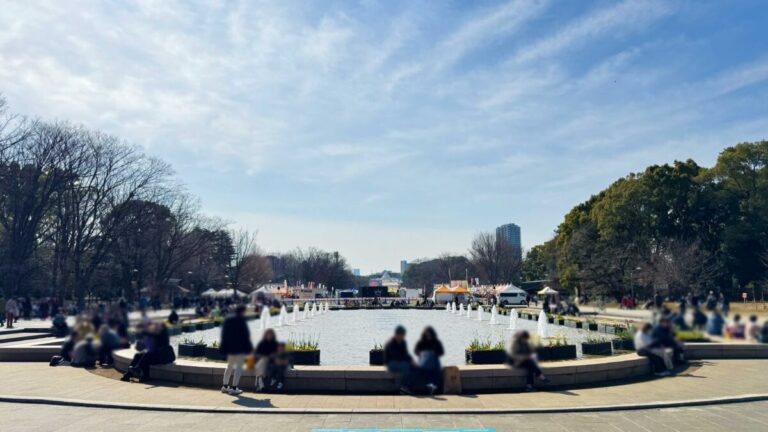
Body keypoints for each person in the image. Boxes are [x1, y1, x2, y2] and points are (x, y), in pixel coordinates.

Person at [220, 305, 253, 395]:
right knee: (238, 368)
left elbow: (224, 334)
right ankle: (234, 388)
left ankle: (225, 386)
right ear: (242, 312)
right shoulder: (241, 321)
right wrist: (249, 349)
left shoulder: (228, 319)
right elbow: (245, 336)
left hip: (230, 349)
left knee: (229, 367)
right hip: (239, 349)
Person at [384, 325, 415, 395]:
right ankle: (405, 387)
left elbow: (406, 354)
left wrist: (412, 360)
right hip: (391, 363)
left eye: (403, 335)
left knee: (412, 367)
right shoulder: (391, 343)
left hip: (400, 362)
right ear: (397, 334)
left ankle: (411, 386)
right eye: (402, 335)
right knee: (405, 367)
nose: (403, 336)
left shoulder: (403, 342)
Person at [414, 326, 444, 395]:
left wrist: (434, 353)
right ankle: (428, 386)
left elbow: (441, 352)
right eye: (427, 335)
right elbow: (416, 351)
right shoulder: (421, 342)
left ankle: (433, 386)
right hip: (424, 362)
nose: (428, 337)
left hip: (434, 362)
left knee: (435, 368)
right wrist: (421, 353)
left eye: (430, 335)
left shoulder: (436, 342)